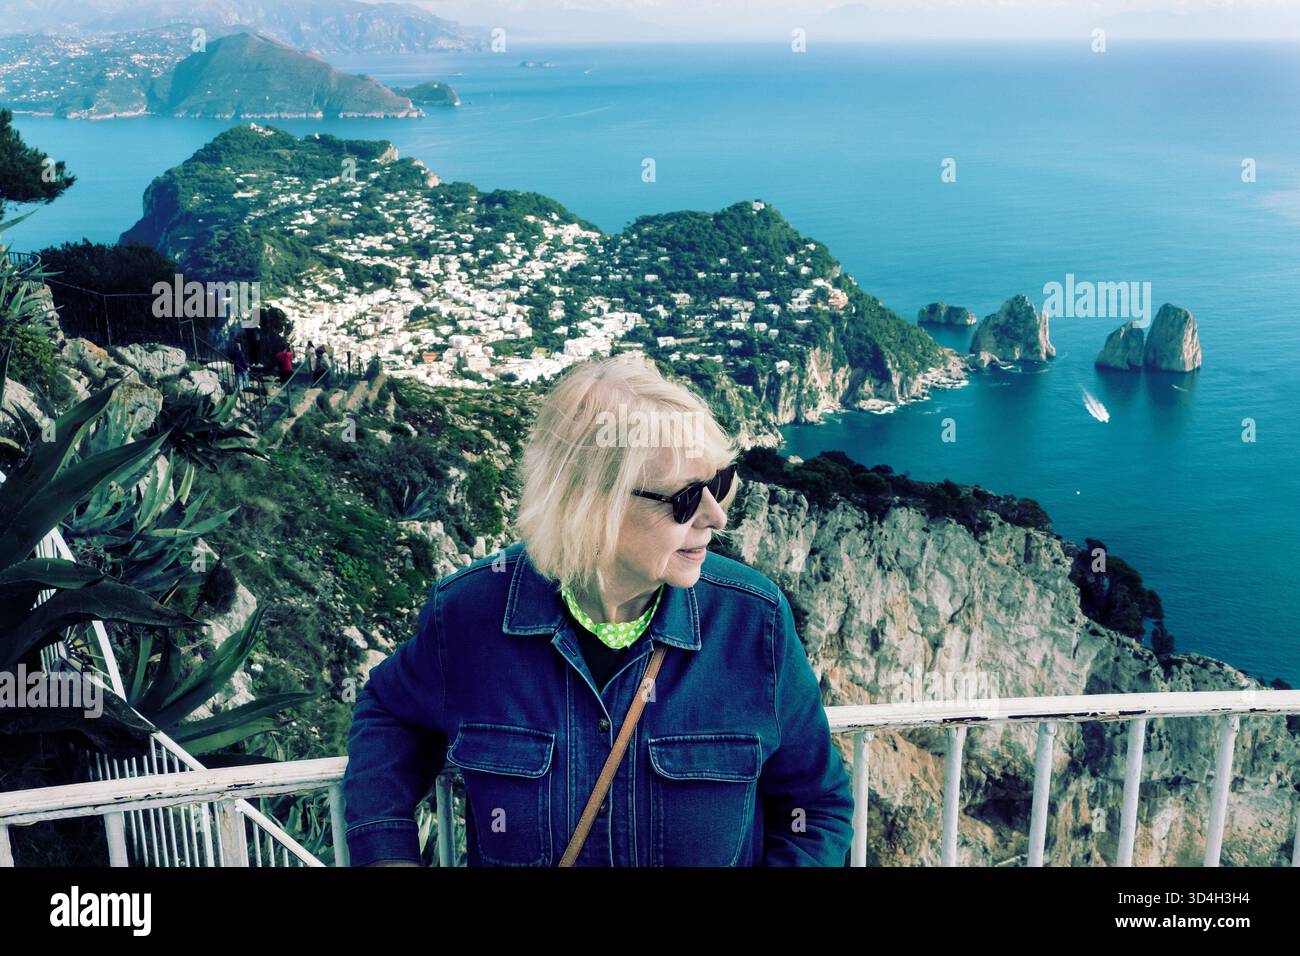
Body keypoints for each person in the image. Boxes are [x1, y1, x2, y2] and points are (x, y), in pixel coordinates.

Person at [342, 352, 855, 867]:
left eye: (718, 485)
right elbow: (391, 711)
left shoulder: (753, 623)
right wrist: (386, 851)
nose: (715, 516)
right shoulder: (469, 615)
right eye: (685, 499)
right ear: (589, 503)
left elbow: (815, 807)